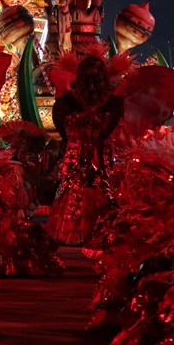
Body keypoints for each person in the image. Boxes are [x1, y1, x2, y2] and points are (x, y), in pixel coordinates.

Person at [48, 55, 124, 245]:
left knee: (98, 188)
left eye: (96, 82)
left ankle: (97, 230)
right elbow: (67, 132)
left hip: (98, 158)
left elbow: (108, 131)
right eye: (88, 82)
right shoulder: (68, 104)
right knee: (81, 189)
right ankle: (89, 231)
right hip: (80, 156)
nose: (92, 89)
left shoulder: (113, 104)